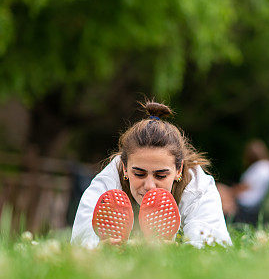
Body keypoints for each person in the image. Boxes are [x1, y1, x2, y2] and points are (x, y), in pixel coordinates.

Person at [71, 101, 232, 248]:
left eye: (160, 176)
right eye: (139, 174)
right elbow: (79, 243)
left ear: (179, 170)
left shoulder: (198, 188)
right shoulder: (107, 184)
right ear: (125, 168)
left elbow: (214, 249)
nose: (149, 186)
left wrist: (176, 252)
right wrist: (98, 249)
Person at [220, 139, 269, 223]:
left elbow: (245, 187)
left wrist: (229, 191)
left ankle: (222, 222)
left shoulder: (260, 167)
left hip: (248, 205)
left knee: (220, 190)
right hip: (257, 203)